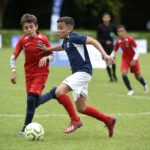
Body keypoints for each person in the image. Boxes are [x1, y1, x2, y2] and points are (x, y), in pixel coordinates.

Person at [38, 16, 116, 137]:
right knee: (81, 108)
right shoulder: (67, 40)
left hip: (83, 71)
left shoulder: (75, 37)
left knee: (59, 91)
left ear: (69, 29)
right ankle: (108, 120)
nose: (58, 31)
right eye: (57, 28)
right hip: (80, 74)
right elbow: (62, 47)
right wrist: (48, 49)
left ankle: (75, 120)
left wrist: (105, 55)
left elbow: (93, 41)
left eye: (61, 28)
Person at [10, 13, 82, 135]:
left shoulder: (43, 39)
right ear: (23, 29)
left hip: (41, 73)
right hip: (29, 75)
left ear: (36, 26)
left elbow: (52, 56)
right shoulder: (22, 40)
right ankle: (52, 93)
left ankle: (25, 128)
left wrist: (46, 59)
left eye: (31, 27)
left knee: (31, 99)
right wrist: (13, 71)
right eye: (26, 28)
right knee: (34, 102)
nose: (29, 30)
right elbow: (13, 57)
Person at [111, 25, 149, 95]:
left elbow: (137, 50)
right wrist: (110, 58)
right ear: (117, 33)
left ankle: (144, 83)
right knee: (123, 74)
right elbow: (114, 51)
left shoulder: (130, 39)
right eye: (119, 32)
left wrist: (134, 60)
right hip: (125, 60)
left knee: (137, 77)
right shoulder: (118, 41)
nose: (120, 33)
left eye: (122, 31)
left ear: (125, 32)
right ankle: (131, 90)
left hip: (134, 59)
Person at [97, 12, 118, 82]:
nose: (106, 19)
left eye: (107, 17)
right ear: (102, 19)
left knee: (113, 61)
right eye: (104, 17)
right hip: (103, 47)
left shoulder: (112, 26)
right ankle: (111, 77)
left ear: (110, 18)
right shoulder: (100, 27)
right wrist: (105, 41)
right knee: (107, 62)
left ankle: (114, 75)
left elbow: (117, 33)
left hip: (111, 47)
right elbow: (98, 37)